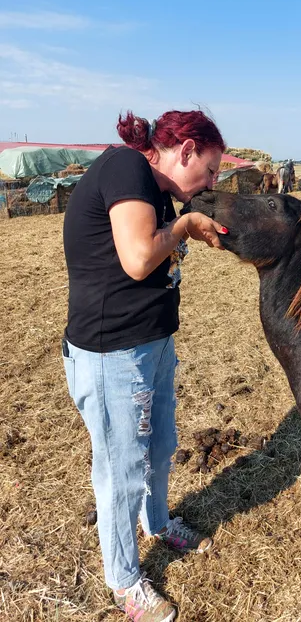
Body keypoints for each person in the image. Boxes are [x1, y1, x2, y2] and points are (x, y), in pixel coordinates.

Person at [62, 109, 228, 622]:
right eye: (211, 169)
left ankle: (156, 522)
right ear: (186, 151)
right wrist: (185, 225)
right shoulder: (127, 168)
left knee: (159, 445)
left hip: (150, 344)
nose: (212, 182)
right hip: (113, 353)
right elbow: (137, 259)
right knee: (122, 469)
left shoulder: (155, 188)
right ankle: (124, 580)